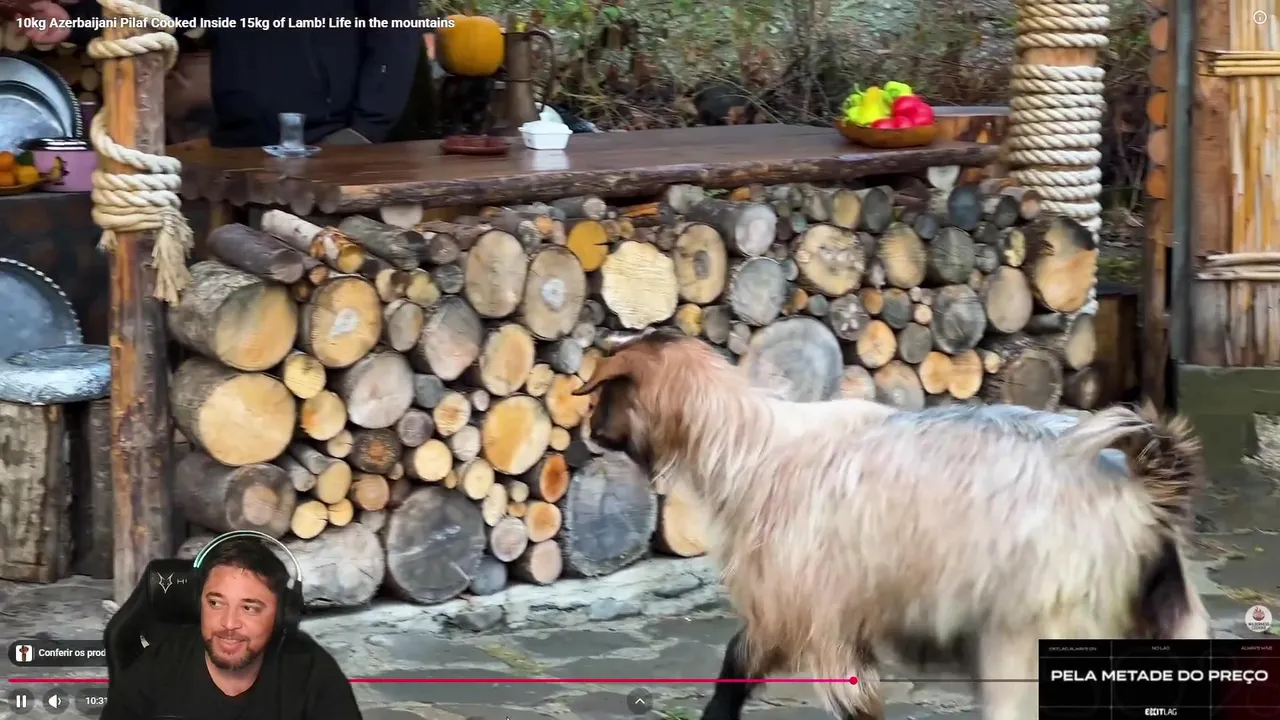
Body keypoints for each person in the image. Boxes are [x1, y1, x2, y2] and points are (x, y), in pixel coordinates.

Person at [61, 0, 420, 148]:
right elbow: (161, 9)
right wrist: (72, 22)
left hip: (331, 142)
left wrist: (364, 130)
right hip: (238, 144)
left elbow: (395, 32)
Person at [101, 537, 361, 720]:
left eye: (249, 608)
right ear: (198, 604)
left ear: (282, 615)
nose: (228, 623)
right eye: (215, 603)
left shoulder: (313, 674)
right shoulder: (157, 667)